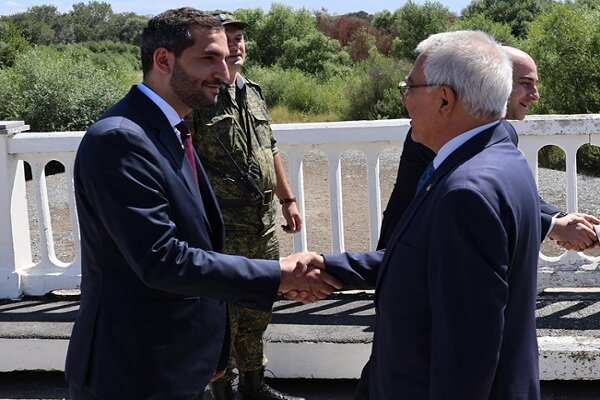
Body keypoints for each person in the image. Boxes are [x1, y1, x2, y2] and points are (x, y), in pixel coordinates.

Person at [64, 8, 340, 400]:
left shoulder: (171, 130)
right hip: (134, 371)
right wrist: (277, 274)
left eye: (226, 60)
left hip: (179, 363)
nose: (224, 74)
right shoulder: (121, 139)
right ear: (163, 59)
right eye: (208, 59)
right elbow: (162, 258)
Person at [293, 30, 543, 399]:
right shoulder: (498, 156)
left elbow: (467, 353)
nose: (404, 99)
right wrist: (330, 266)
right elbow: (429, 261)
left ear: (445, 99)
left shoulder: (465, 192)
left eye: (410, 87)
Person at [378, 45, 599, 252]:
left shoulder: (502, 131)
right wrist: (556, 227)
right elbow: (484, 204)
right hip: (411, 254)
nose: (536, 94)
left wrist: (562, 219)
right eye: (525, 83)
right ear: (496, 83)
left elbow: (517, 197)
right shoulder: (443, 133)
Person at [187, 12, 303, 400]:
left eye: (240, 40)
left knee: (258, 307)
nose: (236, 46)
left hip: (262, 221)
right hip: (223, 224)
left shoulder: (252, 91)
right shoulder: (203, 95)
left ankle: (254, 386)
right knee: (225, 313)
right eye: (229, 40)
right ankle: (223, 390)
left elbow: (270, 148)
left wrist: (287, 200)